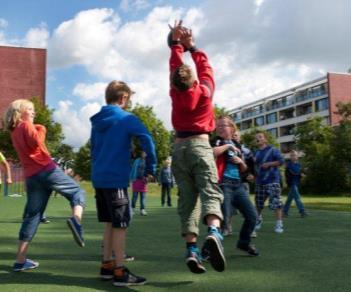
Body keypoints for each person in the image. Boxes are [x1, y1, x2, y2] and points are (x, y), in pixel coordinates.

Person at [169, 20, 226, 274]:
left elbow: (174, 66)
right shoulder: (204, 92)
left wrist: (176, 44)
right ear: (192, 80)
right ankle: (213, 232)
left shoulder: (175, 91)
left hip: (179, 149)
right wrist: (192, 46)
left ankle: (192, 251)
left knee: (188, 200)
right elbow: (206, 69)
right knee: (210, 192)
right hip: (200, 145)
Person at [4, 99, 85, 272]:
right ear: (21, 112)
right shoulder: (26, 126)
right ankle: (76, 221)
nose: (33, 112)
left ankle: (20, 261)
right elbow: (35, 142)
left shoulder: (15, 132)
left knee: (32, 216)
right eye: (30, 109)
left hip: (32, 177)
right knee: (77, 191)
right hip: (46, 170)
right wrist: (42, 128)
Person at [90, 80, 157, 287]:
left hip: (99, 178)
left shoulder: (97, 121)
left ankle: (107, 265)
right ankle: (120, 271)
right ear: (123, 98)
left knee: (110, 222)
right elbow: (147, 140)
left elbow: (93, 149)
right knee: (120, 224)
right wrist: (150, 168)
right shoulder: (127, 118)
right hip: (116, 179)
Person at [213, 116, 259, 256]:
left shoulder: (237, 144)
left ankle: (243, 244)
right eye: (218, 126)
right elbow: (211, 153)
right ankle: (208, 251)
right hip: (223, 184)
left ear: (232, 128)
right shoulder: (215, 140)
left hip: (238, 185)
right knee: (223, 221)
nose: (220, 128)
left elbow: (244, 169)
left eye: (223, 125)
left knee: (252, 217)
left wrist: (241, 161)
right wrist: (227, 146)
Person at [254, 132, 285, 234]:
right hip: (259, 182)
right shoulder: (256, 152)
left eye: (260, 137)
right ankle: (258, 220)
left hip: (272, 181)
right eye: (256, 138)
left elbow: (281, 161)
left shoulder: (273, 150)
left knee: (277, 204)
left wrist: (269, 164)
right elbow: (253, 166)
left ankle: (279, 223)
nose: (258, 139)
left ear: (265, 140)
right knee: (258, 205)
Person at [283, 150, 308, 217]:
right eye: (291, 155)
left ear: (297, 156)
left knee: (289, 199)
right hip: (292, 184)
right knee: (297, 198)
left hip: (297, 183)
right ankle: (302, 211)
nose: (293, 156)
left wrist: (303, 173)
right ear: (290, 157)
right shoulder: (289, 165)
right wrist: (301, 174)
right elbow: (294, 172)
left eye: (294, 155)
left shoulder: (299, 165)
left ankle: (284, 212)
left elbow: (300, 172)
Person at [130, 151, 148, 216]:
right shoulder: (137, 161)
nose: (144, 154)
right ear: (141, 154)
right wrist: (131, 179)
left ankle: (142, 210)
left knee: (143, 196)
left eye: (145, 153)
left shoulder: (147, 162)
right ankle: (132, 209)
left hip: (144, 181)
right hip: (136, 180)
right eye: (143, 153)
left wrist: (147, 177)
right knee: (135, 196)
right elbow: (133, 169)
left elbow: (149, 172)